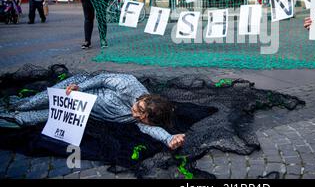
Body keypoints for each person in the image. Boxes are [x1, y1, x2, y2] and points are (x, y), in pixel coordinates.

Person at [0, 73, 186, 150]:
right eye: (138, 109)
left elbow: (152, 129)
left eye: (142, 117)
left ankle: (12, 116)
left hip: (81, 110)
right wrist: (79, 87)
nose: (135, 115)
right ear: (141, 100)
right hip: (77, 89)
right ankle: (18, 105)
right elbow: (103, 78)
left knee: (33, 118)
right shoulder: (129, 84)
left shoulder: (144, 120)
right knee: (31, 103)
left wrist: (169, 138)